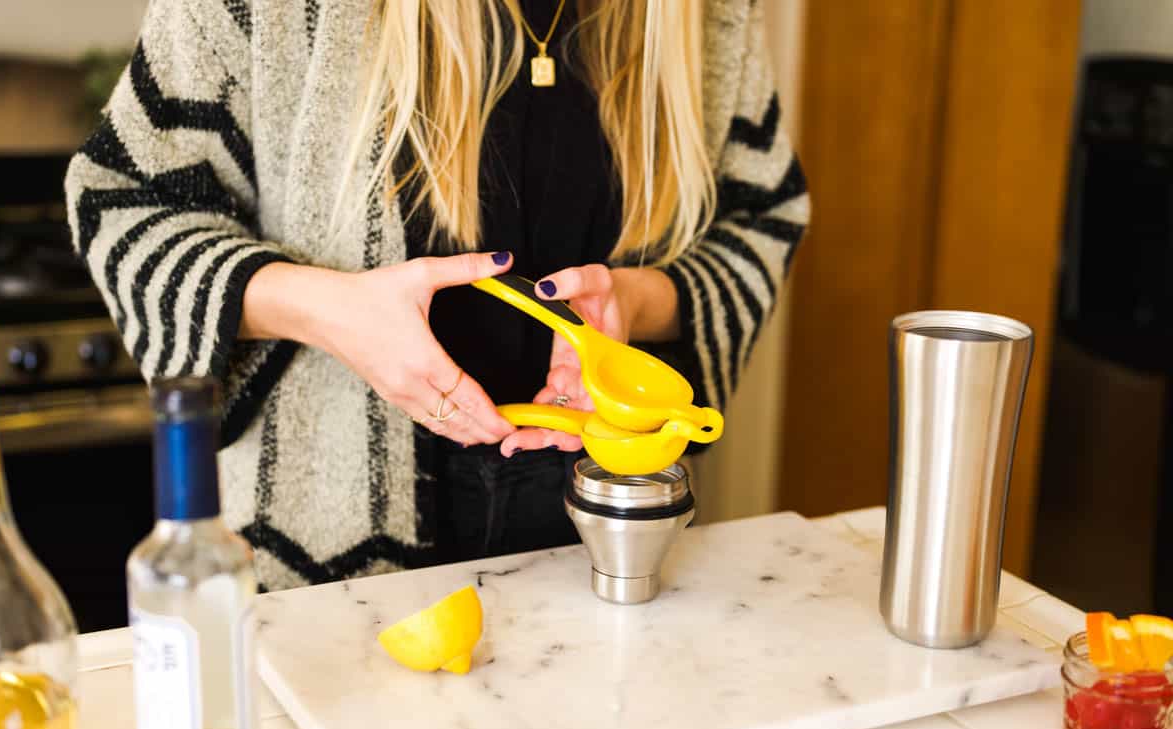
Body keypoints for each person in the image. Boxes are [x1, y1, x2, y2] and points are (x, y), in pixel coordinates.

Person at [65, 0, 808, 591]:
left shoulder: (705, 15)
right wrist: (331, 313)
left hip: (620, 546)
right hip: (323, 568)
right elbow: (123, 203)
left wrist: (636, 305)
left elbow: (763, 215)